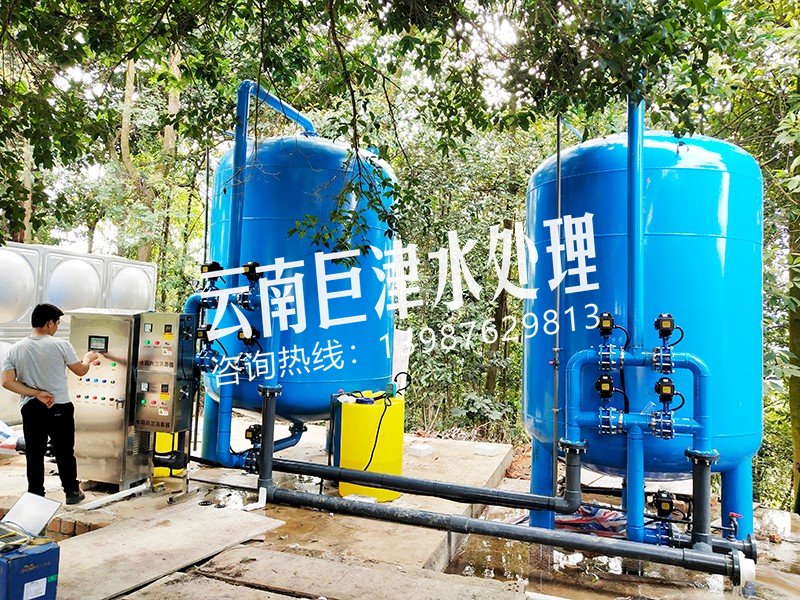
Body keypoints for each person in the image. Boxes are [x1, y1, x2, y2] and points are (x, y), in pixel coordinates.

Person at [1, 304, 99, 505]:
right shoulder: (61, 345)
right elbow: (80, 370)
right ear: (49, 323)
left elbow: (7, 382)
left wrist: (36, 393)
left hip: (31, 408)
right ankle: (72, 492)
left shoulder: (15, 349)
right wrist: (88, 358)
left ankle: (35, 494)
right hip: (59, 406)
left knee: (34, 453)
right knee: (64, 451)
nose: (56, 327)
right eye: (57, 323)